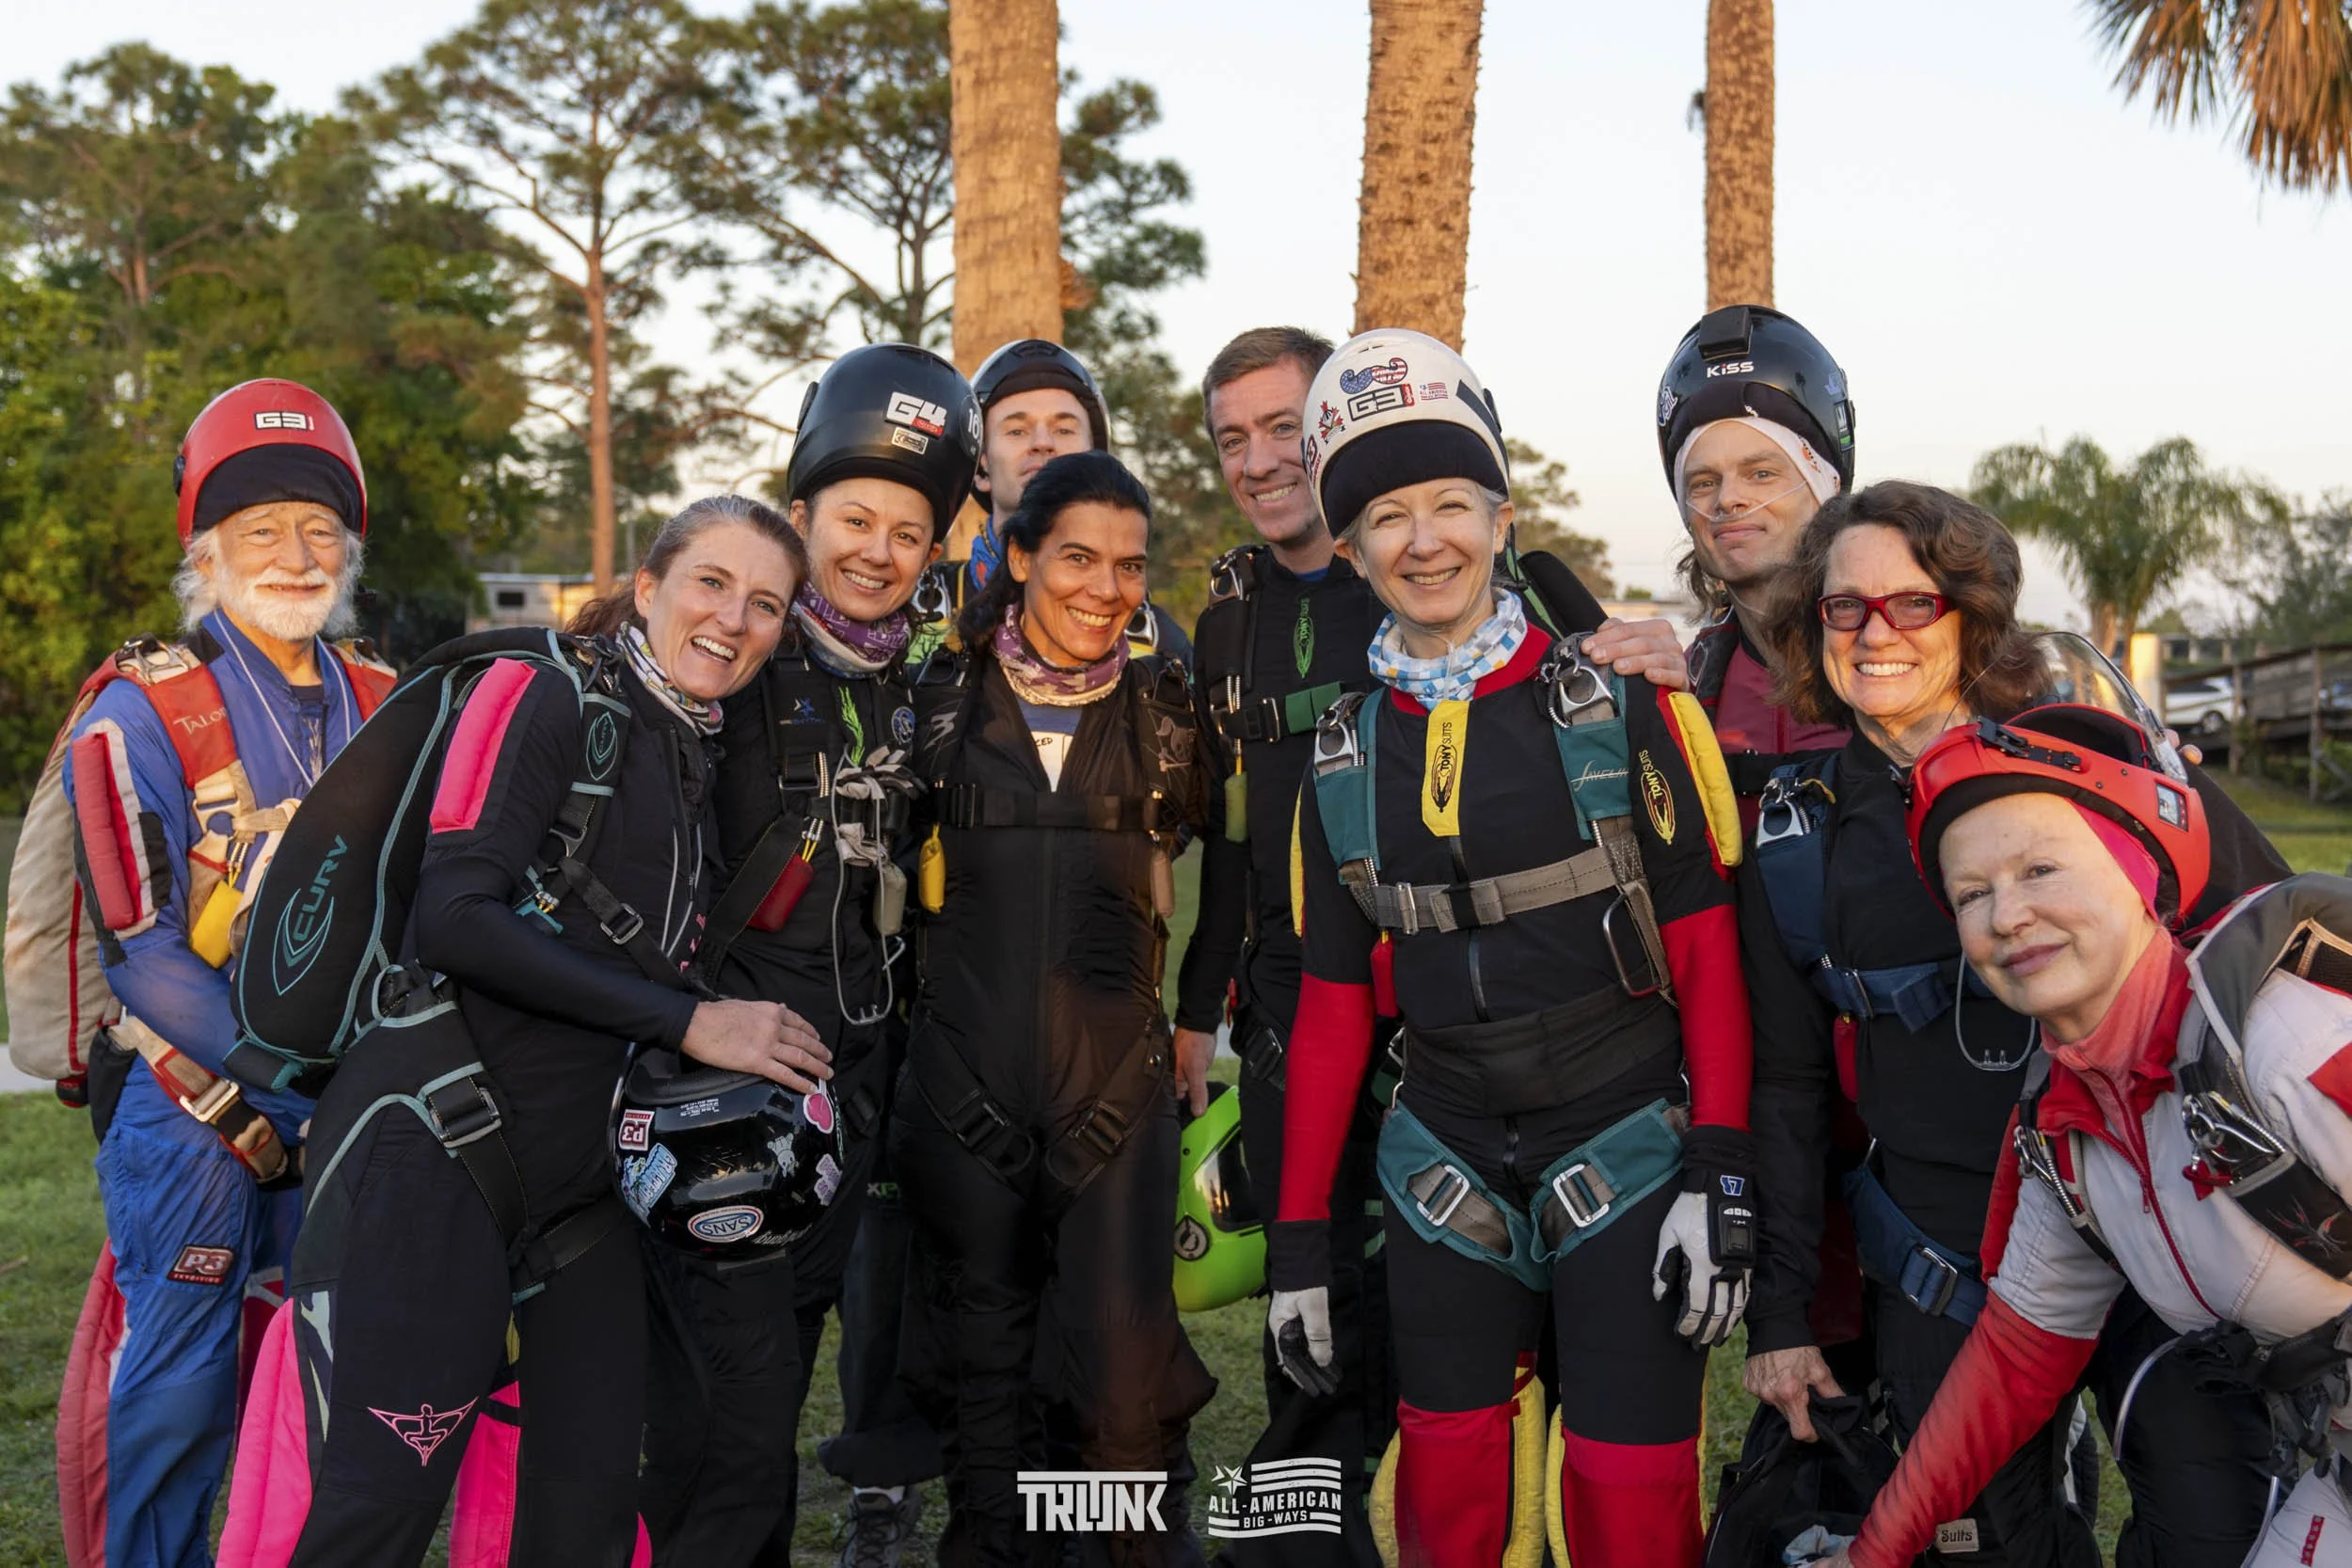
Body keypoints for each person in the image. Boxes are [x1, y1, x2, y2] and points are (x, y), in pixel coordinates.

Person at [1268, 328, 1758, 1568]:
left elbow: (1705, 951)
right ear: (1349, 543)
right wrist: (1298, 1242)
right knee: (1446, 1493)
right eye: (1384, 514)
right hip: (1442, 1161)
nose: (1422, 539)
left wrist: (1720, 1165)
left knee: (1629, 1495)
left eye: (1449, 503)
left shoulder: (1619, 703)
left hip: (1630, 1144)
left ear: (1502, 516)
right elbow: (1331, 1010)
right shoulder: (1337, 753)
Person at [1744, 482, 2288, 1567]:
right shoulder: (1797, 833)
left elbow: (2276, 945)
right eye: (1843, 607)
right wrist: (1780, 1310)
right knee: (1979, 1546)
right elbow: (1786, 1080)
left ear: (1969, 613)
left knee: (2213, 1526)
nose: (1875, 631)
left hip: (2151, 1238)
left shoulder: (2100, 764)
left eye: (1912, 602)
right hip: (1939, 1256)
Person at [283, 496, 819, 1567]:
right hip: (436, 1158)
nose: (734, 619)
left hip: (582, 1195)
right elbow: (455, 914)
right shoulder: (540, 690)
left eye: (767, 604)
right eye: (712, 582)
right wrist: (691, 1020)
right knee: (376, 1514)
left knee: (580, 1522)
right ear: (651, 579)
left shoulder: (692, 745)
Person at [1817, 711, 2352, 1568]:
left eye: (2040, 868)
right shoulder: (2071, 1138)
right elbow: (2012, 1366)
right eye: (1972, 894)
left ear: (2138, 868)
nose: (2009, 914)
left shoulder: (2284, 1032)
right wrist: (1870, 1553)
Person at [638, 345, 974, 1568]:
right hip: (714, 1102)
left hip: (851, 1104)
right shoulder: (731, 663)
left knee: (766, 1410)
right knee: (726, 1427)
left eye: (909, 529)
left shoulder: (927, 693)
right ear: (802, 514)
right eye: (854, 520)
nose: (878, 550)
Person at [52, 378, 393, 1568]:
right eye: (261, 531)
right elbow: (142, 954)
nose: (295, 554)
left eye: (318, 529)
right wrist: (304, 1087)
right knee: (183, 1382)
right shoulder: (136, 711)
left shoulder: (390, 702)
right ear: (205, 550)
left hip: (351, 1107)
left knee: (334, 1384)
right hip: (190, 1100)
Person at [894, 449, 1212, 1567]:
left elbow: (1251, 881)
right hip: (958, 1093)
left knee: (1122, 1400)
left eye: (1129, 565)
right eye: (1077, 556)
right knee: (984, 1385)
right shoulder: (934, 699)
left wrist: (1198, 1018)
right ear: (1019, 555)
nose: (1105, 587)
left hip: (1115, 1102)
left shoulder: (1169, 711)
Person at [1167, 325, 1391, 1562]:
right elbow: (1235, 845)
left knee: (1448, 1321)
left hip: (1433, 1011)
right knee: (1306, 1323)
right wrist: (1201, 1013)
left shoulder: (1434, 564)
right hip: (1288, 1012)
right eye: (1231, 437)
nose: (1258, 459)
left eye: (1281, 425)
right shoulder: (1230, 622)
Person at [947, 338, 1192, 669]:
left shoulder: (1155, 643)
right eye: (1017, 431)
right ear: (981, 469)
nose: (1043, 443)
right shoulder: (917, 609)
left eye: (1064, 429)